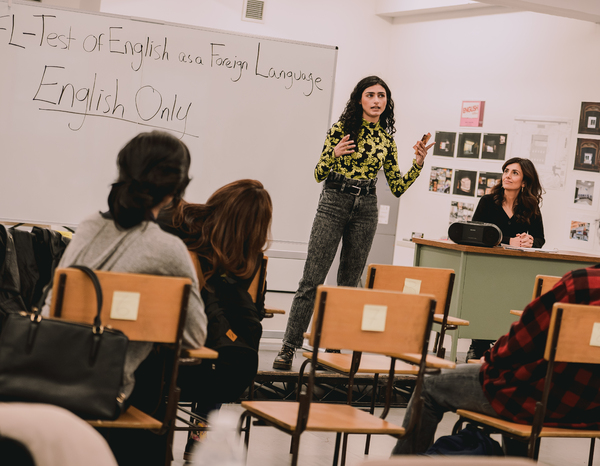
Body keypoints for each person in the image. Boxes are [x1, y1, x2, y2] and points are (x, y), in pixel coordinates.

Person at [392, 203, 600, 456]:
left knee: (429, 385)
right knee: (527, 385)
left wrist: (489, 360)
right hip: (593, 410)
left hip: (536, 401)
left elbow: (521, 340)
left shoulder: (582, 284)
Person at [42, 130, 207, 465]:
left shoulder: (88, 226)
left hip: (46, 378)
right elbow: (194, 336)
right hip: (105, 393)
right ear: (175, 190)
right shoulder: (169, 250)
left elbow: (52, 309)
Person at [273, 76, 434, 370]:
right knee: (312, 279)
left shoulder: (386, 139)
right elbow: (318, 173)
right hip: (334, 202)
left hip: (367, 208)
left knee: (347, 285)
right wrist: (333, 155)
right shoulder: (340, 130)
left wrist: (419, 164)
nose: (376, 100)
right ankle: (288, 347)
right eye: (370, 95)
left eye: (381, 96)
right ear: (359, 99)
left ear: (387, 103)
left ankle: (332, 349)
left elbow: (396, 187)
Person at [159, 179, 272, 460]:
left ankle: (157, 437)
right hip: (223, 373)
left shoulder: (182, 225)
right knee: (221, 350)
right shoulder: (248, 260)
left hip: (168, 364)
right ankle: (198, 441)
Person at [468, 157, 545, 360]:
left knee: (513, 300)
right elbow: (475, 233)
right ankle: (478, 344)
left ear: (525, 181)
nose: (507, 176)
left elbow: (540, 239)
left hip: (515, 268)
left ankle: (507, 346)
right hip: (487, 267)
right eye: (506, 171)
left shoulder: (531, 206)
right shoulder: (487, 202)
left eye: (514, 173)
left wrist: (530, 241)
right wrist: (509, 240)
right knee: (485, 300)